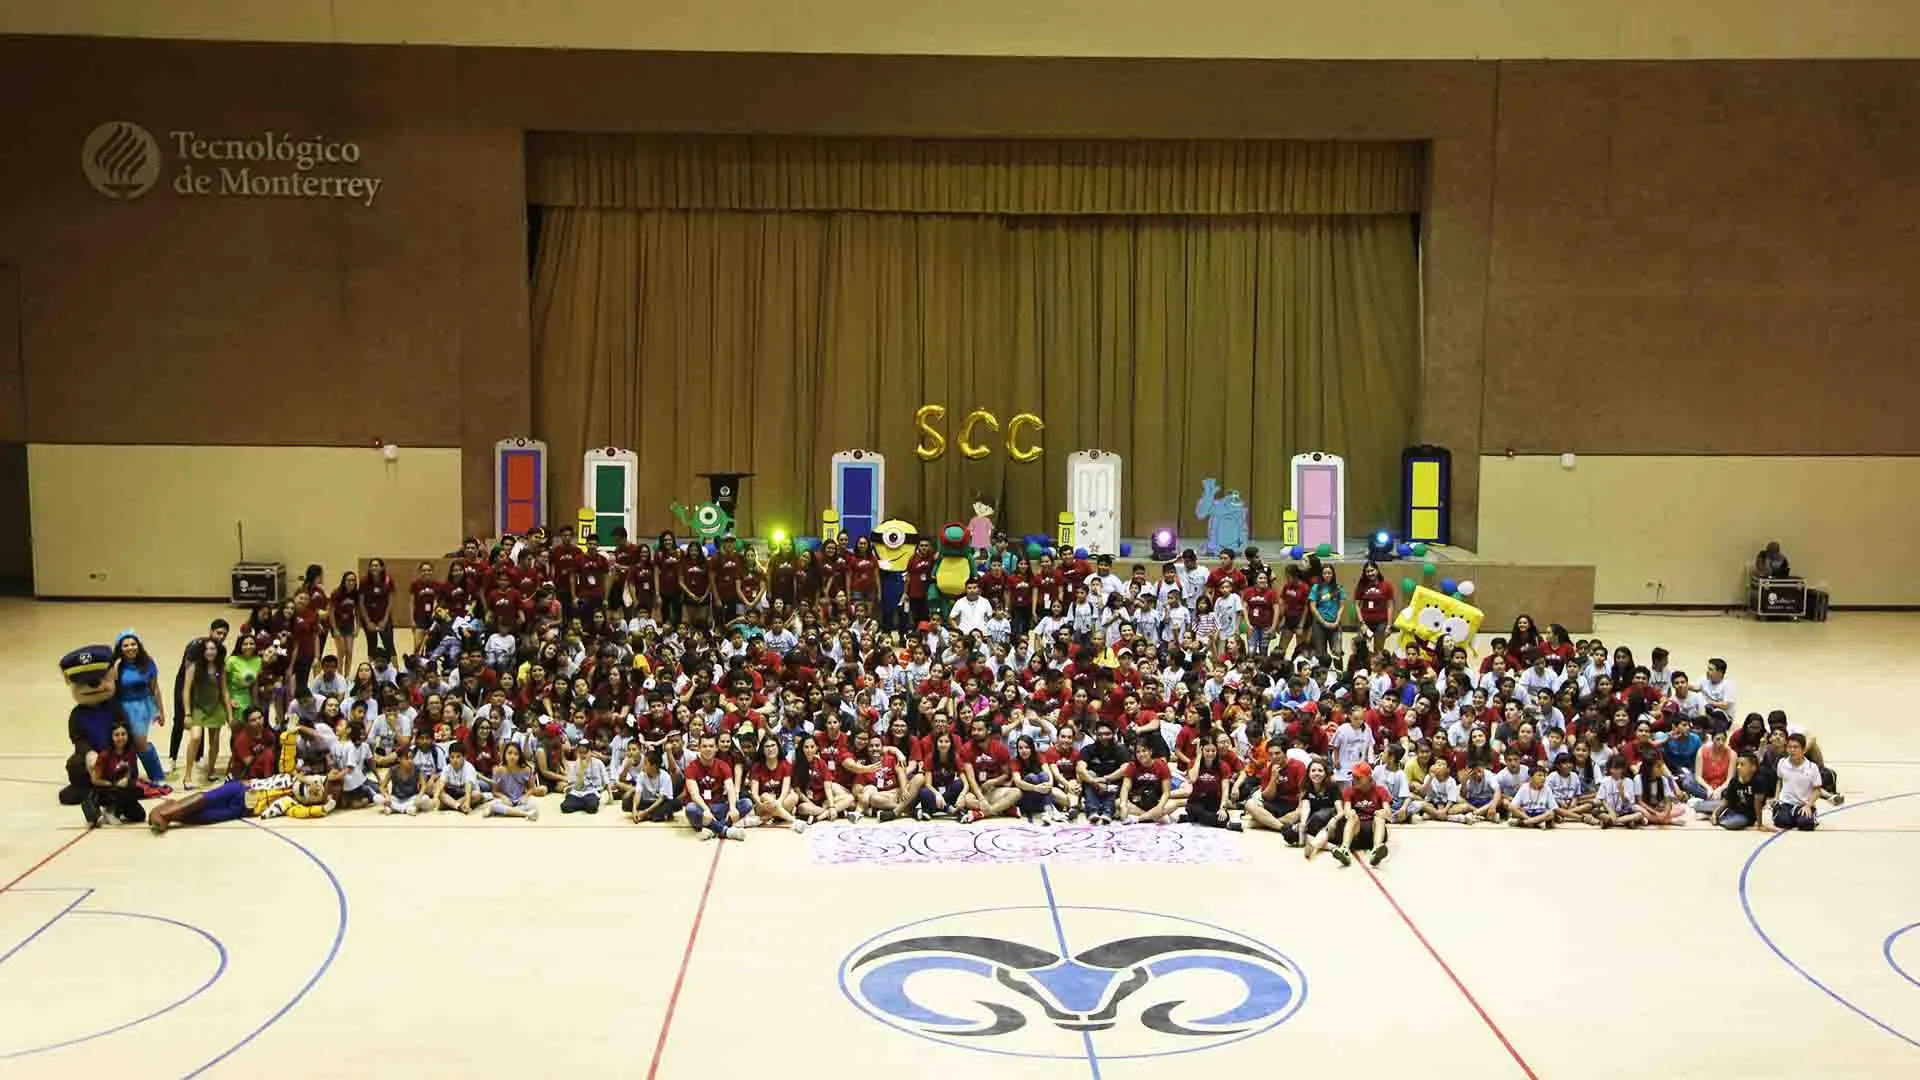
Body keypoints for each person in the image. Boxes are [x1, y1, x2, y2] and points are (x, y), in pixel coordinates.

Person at [684, 732, 749, 840]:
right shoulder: (691, 767)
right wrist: (706, 810)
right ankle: (726, 831)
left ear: (716, 748)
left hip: (719, 806)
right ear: (699, 748)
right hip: (701, 808)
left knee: (746, 803)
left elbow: (730, 788)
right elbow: (694, 794)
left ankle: (711, 829)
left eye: (711, 746)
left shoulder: (723, 766)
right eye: (704, 746)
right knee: (690, 808)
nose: (708, 749)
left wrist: (732, 808)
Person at [1333, 761, 1390, 866]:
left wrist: (1382, 812)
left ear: (1368, 777)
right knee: (1352, 815)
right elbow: (1346, 810)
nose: (1354, 779)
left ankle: (1376, 850)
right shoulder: (1348, 791)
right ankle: (1345, 849)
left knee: (1380, 818)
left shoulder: (1380, 790)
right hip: (1356, 831)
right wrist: (1350, 812)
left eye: (1358, 777)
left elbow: (1388, 813)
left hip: (1374, 831)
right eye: (1354, 777)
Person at [1771, 733, 1824, 831]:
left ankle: (1810, 815)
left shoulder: (1812, 767)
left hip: (1803, 804)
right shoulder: (1782, 763)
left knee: (1805, 824)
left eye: (1795, 747)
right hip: (1786, 803)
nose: (1792, 750)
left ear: (1803, 750)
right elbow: (1779, 780)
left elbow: (1817, 790)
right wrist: (1776, 797)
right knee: (1782, 822)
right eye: (1789, 747)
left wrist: (1808, 805)